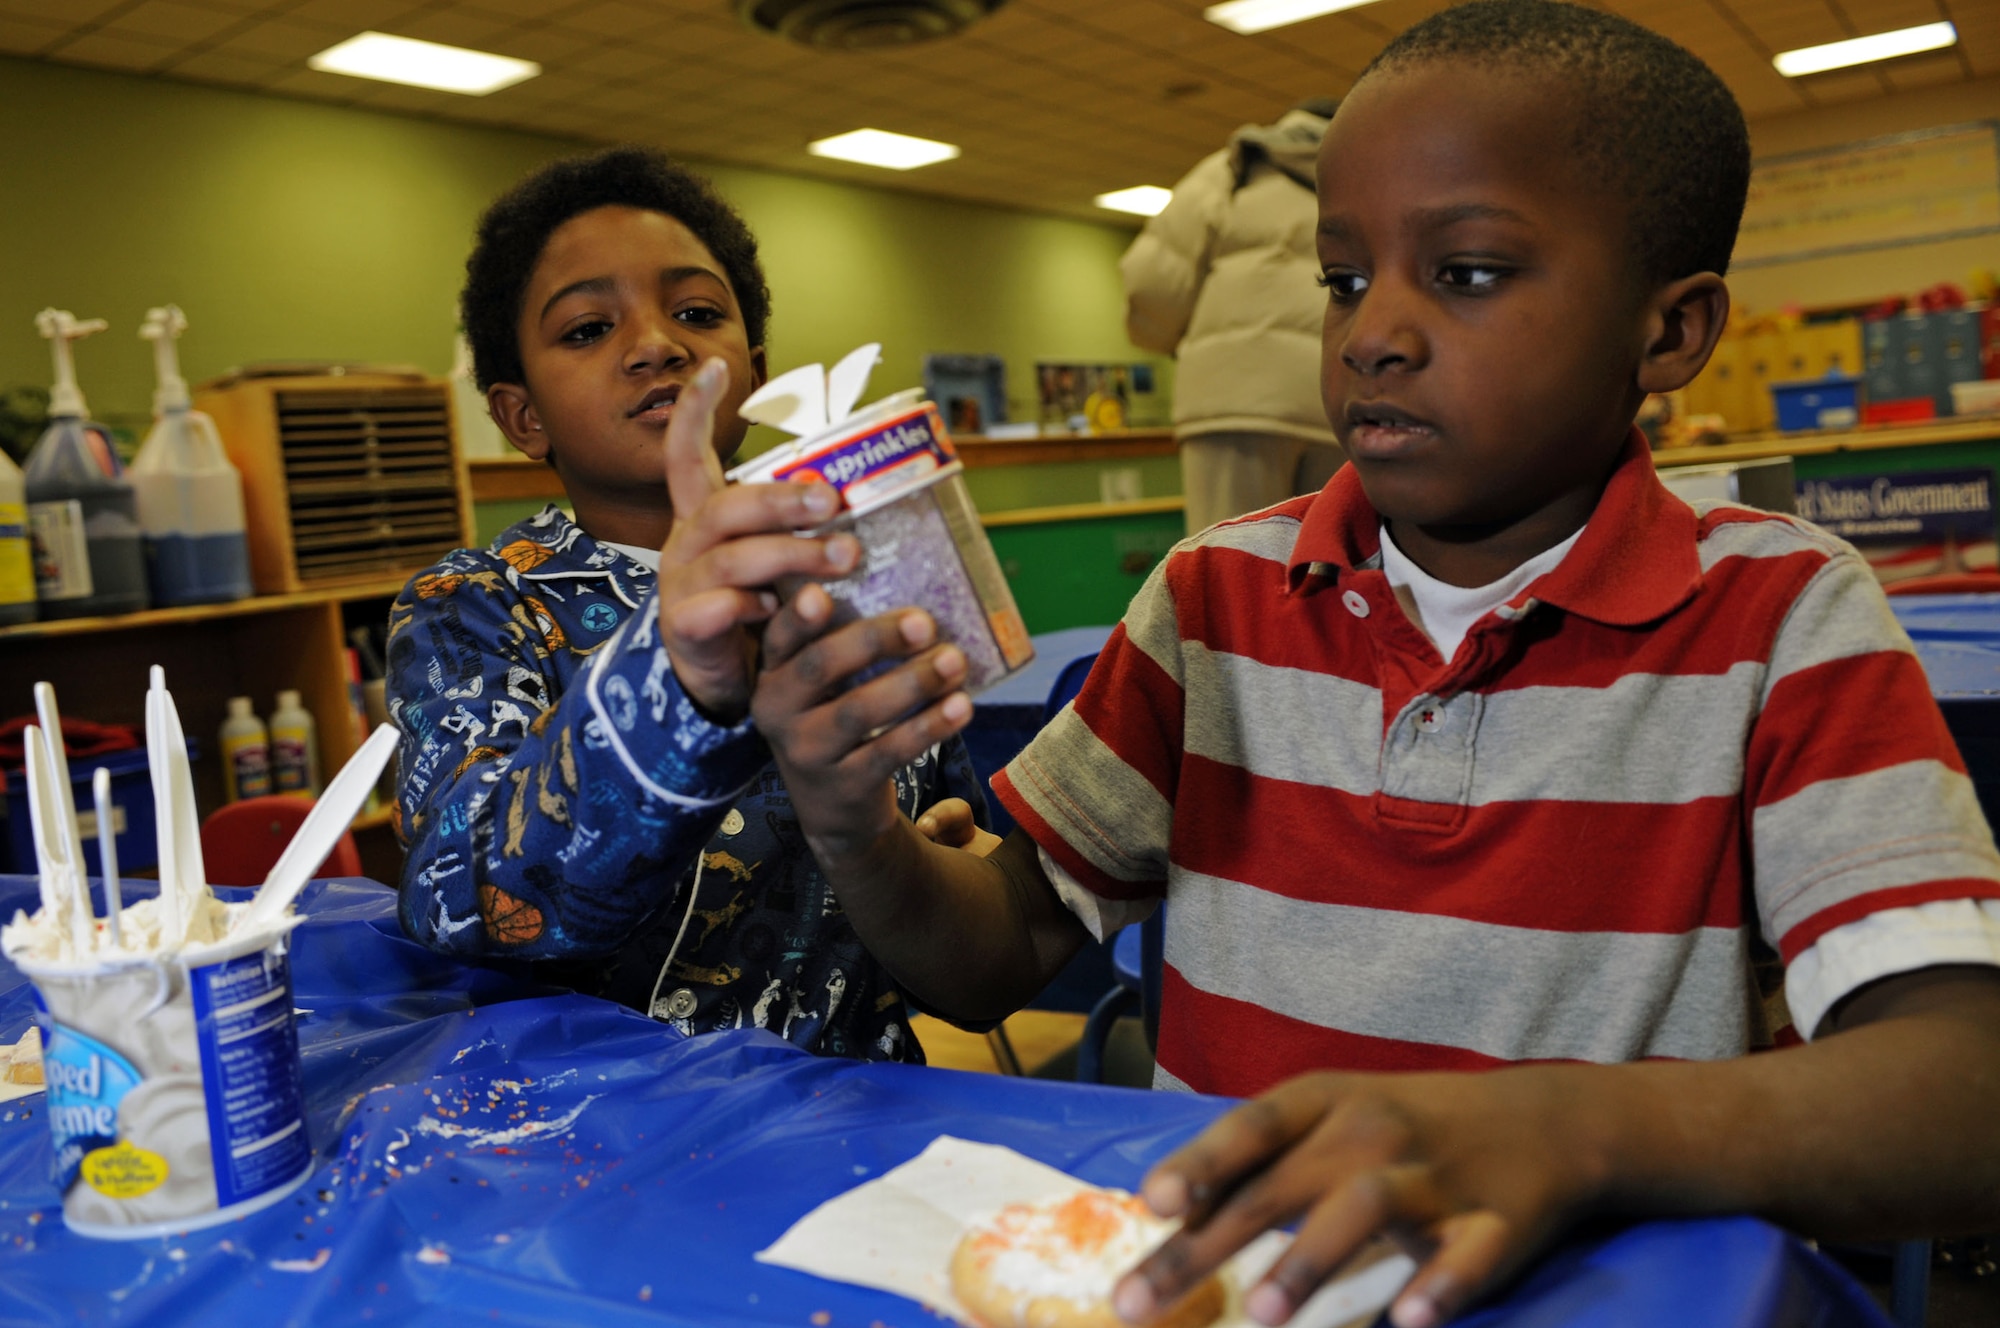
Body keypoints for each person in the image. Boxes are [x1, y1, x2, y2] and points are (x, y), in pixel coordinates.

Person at [730, 2, 2000, 1324]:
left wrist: (1568, 1132)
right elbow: (998, 951)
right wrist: (852, 823)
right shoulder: (1211, 598)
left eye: (1467, 272)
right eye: (1343, 277)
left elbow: (1966, 1095)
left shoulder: (1783, 617)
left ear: (1669, 333)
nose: (1371, 334)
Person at [386, 147, 990, 1064]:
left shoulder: (848, 575)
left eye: (697, 313)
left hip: (860, 1121)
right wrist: (678, 672)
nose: (659, 344)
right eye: (588, 329)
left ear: (752, 375)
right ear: (522, 416)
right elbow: (458, 897)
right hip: (599, 1144)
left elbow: (958, 913)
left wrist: (926, 863)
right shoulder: (472, 607)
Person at [1121, 98, 1345, 536]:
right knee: (1328, 567)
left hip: (1233, 400)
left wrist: (1168, 339)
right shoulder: (1370, 171)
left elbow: (1152, 286)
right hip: (1337, 398)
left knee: (1230, 566)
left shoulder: (1230, 166)